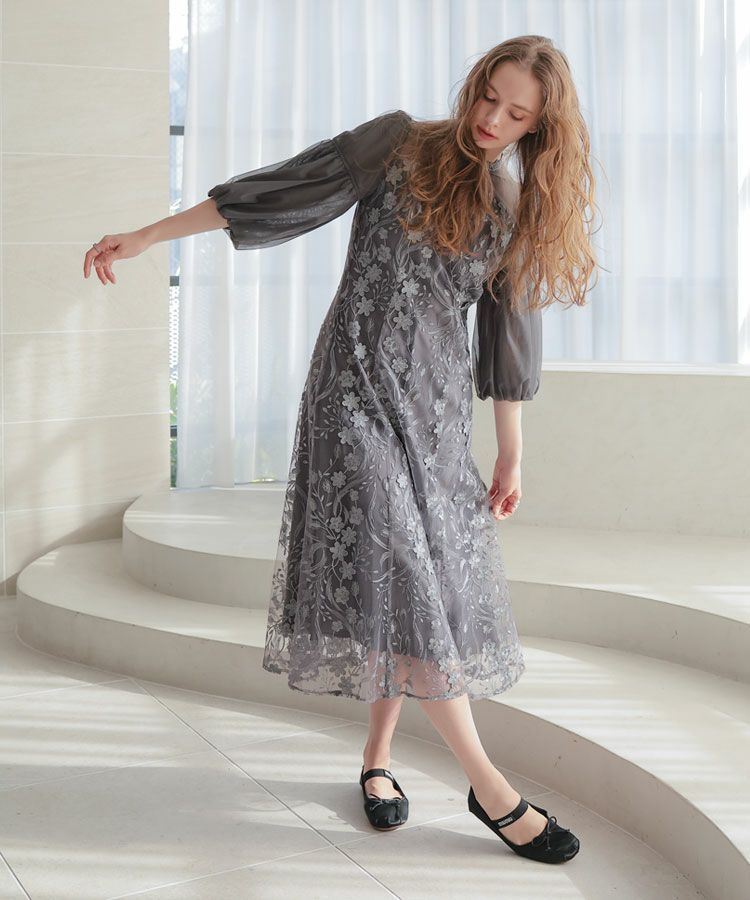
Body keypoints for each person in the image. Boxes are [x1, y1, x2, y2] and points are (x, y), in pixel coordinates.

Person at [83, 35, 597, 865]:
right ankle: (491, 791)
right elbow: (279, 189)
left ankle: (377, 757)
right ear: (474, 84)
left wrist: (511, 453)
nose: (490, 119)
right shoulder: (398, 145)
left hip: (433, 414)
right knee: (400, 569)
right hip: (350, 393)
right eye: (487, 96)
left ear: (539, 126)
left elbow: (507, 340)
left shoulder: (511, 207)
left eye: (515, 113)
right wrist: (148, 235)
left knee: (403, 582)